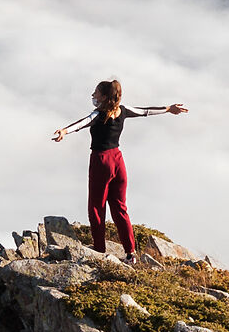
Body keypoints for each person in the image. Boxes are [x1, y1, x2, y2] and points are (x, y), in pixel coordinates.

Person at [52, 78, 188, 260]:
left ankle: (99, 250)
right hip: (118, 161)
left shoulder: (98, 115)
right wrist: (168, 109)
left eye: (96, 93)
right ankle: (130, 253)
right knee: (120, 208)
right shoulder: (122, 111)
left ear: (104, 96)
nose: (93, 95)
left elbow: (82, 123)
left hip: (101, 161)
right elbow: (145, 111)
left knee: (96, 207)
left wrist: (64, 131)